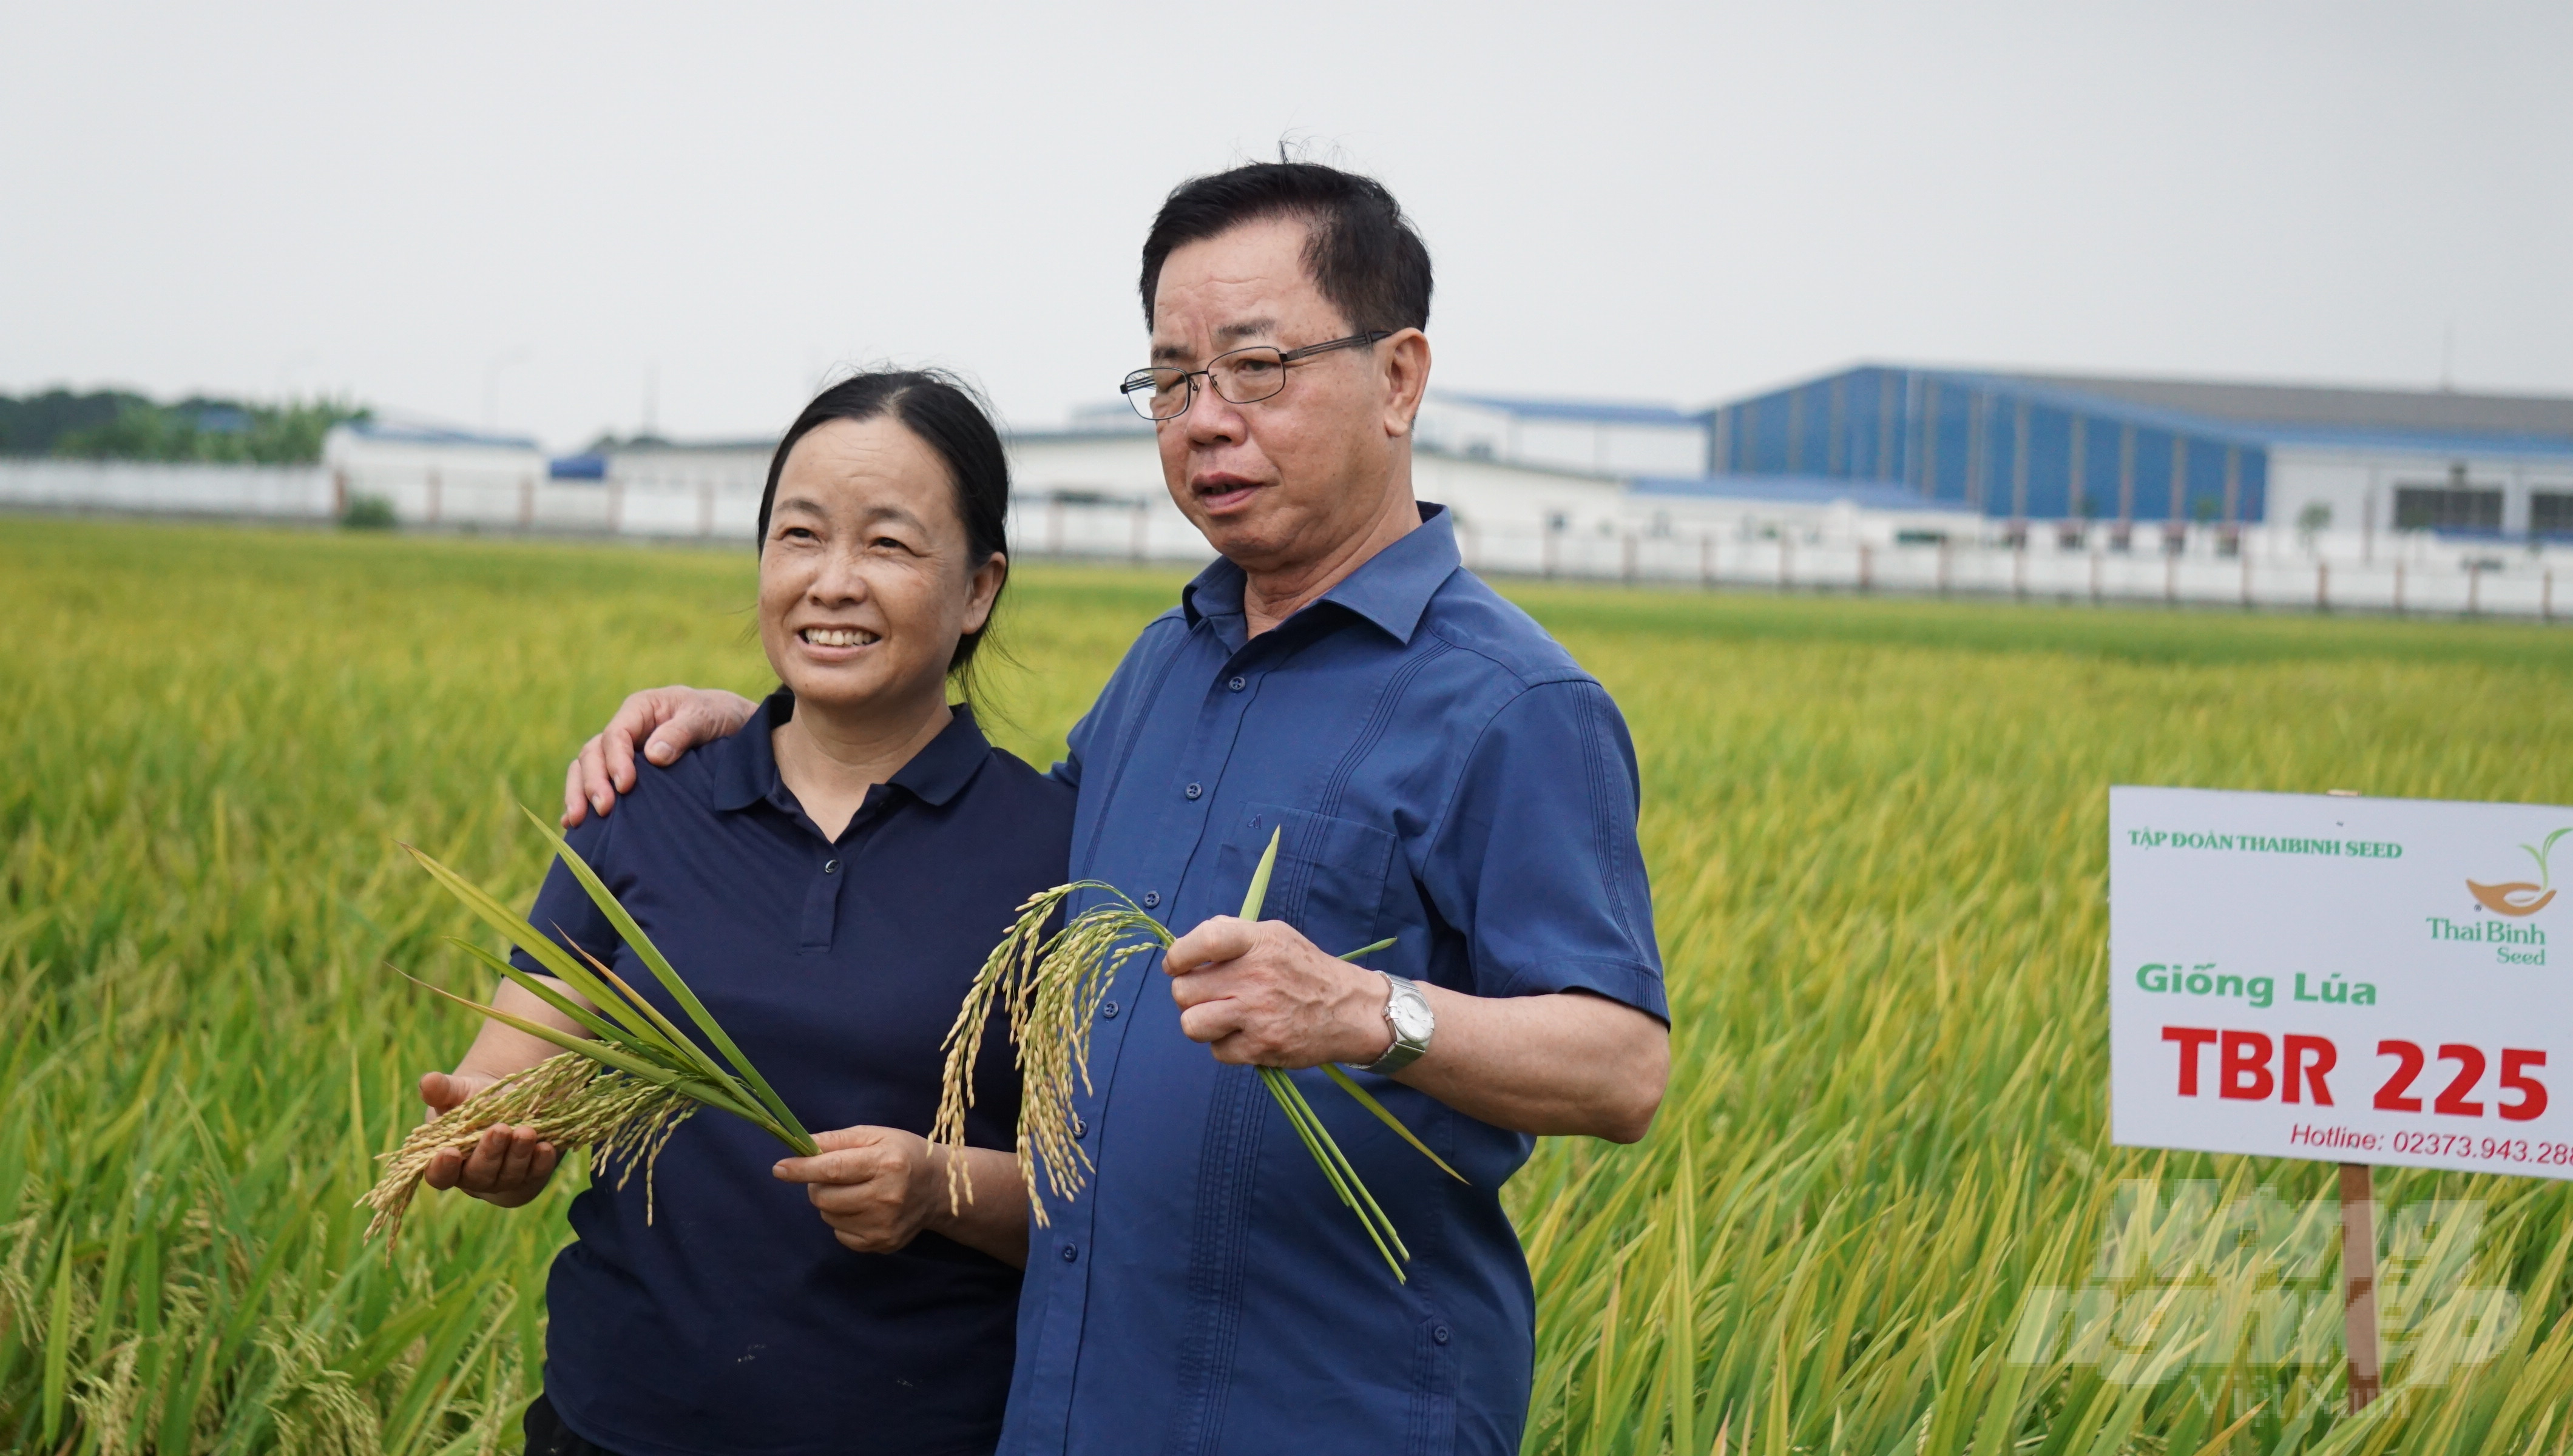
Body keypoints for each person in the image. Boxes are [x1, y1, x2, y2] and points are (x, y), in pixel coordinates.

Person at [564, 163, 1672, 1455]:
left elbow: (1619, 1064)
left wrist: (1365, 1011)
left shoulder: (1510, 701)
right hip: (1072, 1407)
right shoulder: (1168, 663)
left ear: (1399, 378)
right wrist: (790, 721)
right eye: (1172, 379)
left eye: (1256, 368)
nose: (1204, 421)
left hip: (1326, 1416)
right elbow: (987, 846)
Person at [424, 369, 1069, 1456]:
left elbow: (1107, 1203)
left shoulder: (1055, 853)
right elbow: (505, 1069)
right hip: (616, 1424)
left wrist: (938, 1186)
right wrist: (491, 1133)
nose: (833, 582)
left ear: (978, 589)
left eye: (891, 546)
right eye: (799, 536)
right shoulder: (639, 801)